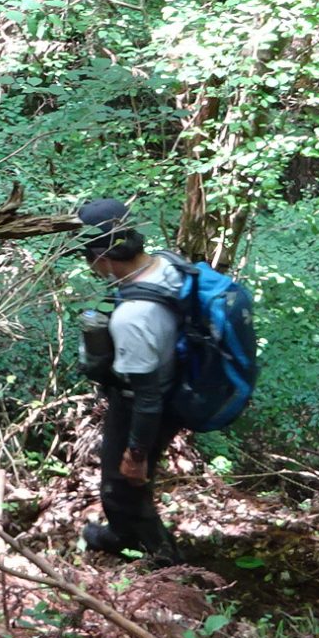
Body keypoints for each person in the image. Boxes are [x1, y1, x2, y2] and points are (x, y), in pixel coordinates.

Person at [78, 212, 180, 560]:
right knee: (127, 485)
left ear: (103, 258)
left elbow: (147, 398)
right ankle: (126, 536)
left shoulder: (133, 317)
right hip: (174, 382)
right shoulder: (166, 264)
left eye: (88, 258)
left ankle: (164, 561)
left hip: (144, 401)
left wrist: (136, 453)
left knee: (121, 486)